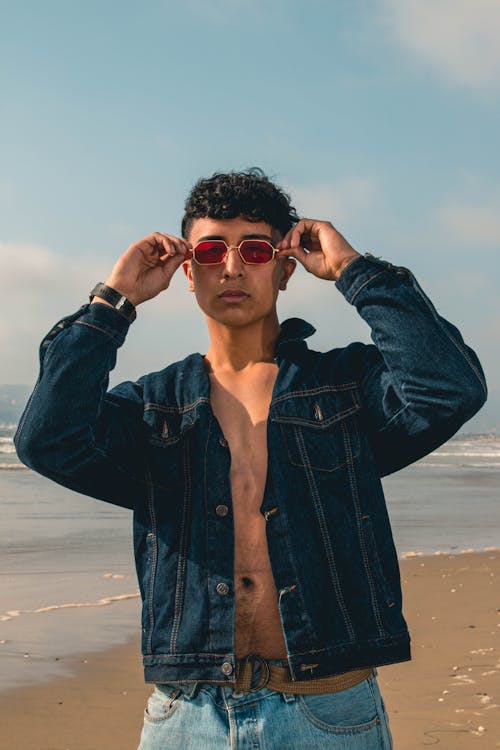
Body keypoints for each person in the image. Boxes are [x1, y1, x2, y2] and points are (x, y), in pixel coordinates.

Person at [15, 168, 487, 749]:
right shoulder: (153, 407)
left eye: (256, 250)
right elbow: (46, 439)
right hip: (187, 716)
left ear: (285, 268)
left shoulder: (342, 387)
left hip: (328, 708)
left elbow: (449, 389)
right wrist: (112, 302)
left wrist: (353, 270)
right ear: (188, 272)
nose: (232, 267)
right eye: (212, 250)